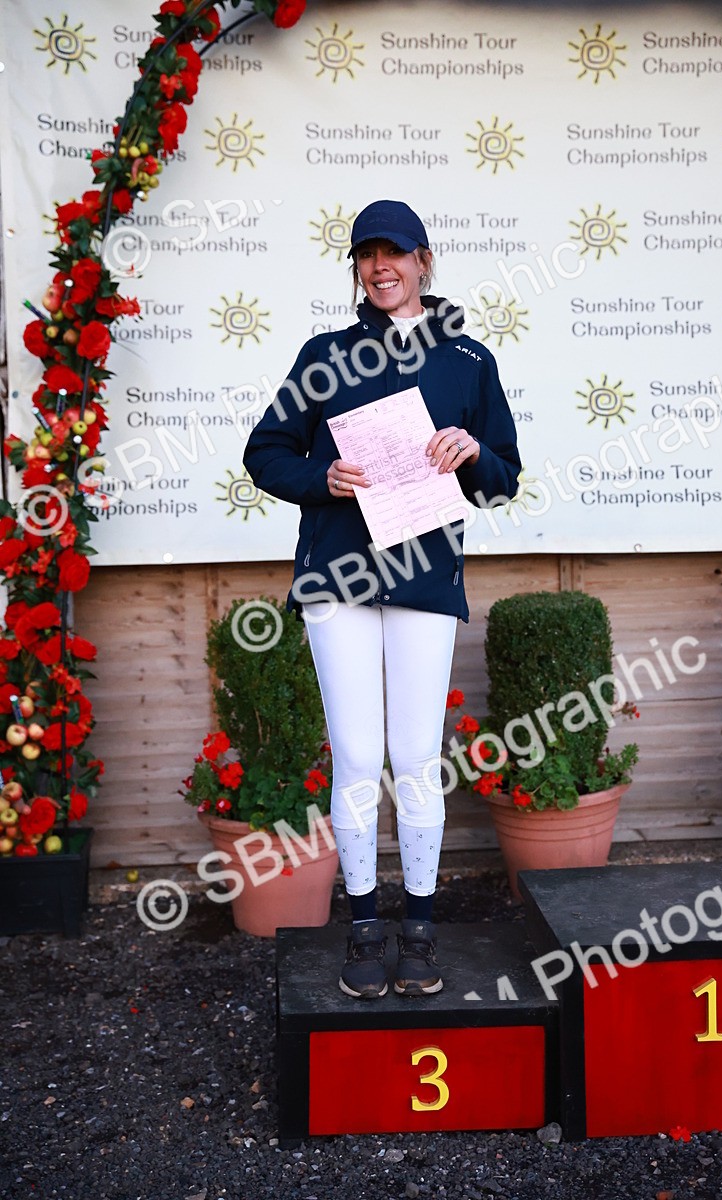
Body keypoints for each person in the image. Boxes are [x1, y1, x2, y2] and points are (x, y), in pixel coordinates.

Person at [243, 200, 521, 999]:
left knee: (415, 758)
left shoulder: (468, 358)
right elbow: (265, 451)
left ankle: (421, 928)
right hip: (339, 578)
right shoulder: (324, 354)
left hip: (427, 579)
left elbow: (504, 475)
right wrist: (318, 478)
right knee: (360, 757)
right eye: (367, 255)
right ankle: (364, 923)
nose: (380, 267)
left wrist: (473, 453)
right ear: (358, 268)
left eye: (394, 253)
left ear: (424, 261)